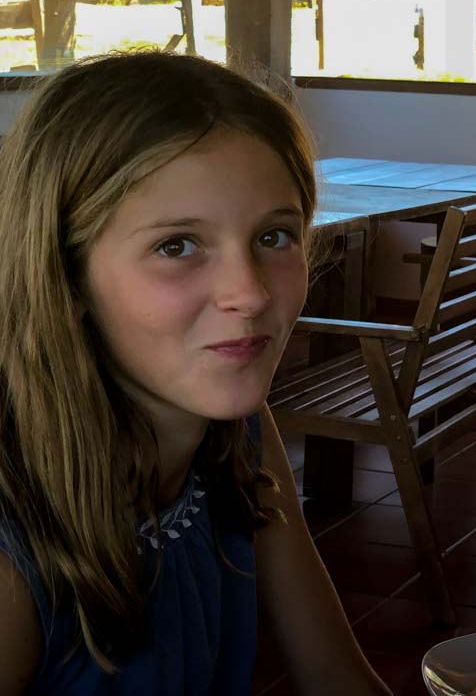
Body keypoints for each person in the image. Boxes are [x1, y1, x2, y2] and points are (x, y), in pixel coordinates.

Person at [0, 52, 394, 694]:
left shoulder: (238, 436)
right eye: (175, 246)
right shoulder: (16, 543)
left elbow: (335, 675)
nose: (250, 294)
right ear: (65, 275)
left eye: (275, 237)